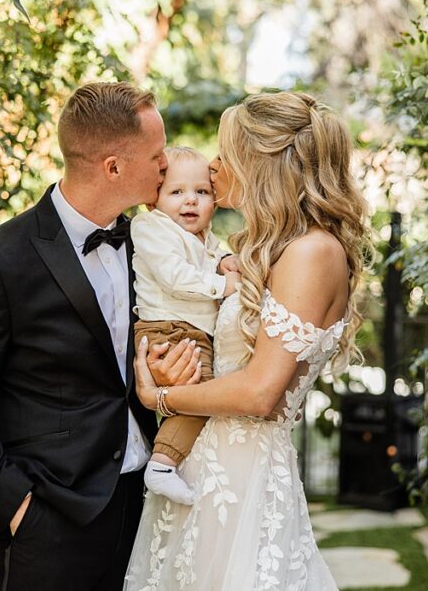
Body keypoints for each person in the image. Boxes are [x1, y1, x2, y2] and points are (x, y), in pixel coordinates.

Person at [0, 82, 201, 591]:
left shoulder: (153, 243)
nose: (167, 165)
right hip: (50, 523)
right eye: (157, 155)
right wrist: (16, 506)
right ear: (113, 166)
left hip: (146, 509)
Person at [124, 91, 370, 591]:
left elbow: (260, 392)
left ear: (261, 162)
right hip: (204, 465)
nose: (212, 168)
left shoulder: (311, 253)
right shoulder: (269, 250)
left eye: (224, 153)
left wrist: (160, 396)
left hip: (241, 479)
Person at [130, 146, 241, 505]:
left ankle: (170, 460)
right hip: (167, 329)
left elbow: (213, 254)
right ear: (154, 200)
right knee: (202, 397)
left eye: (202, 192)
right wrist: (222, 285)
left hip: (192, 331)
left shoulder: (206, 237)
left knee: (201, 398)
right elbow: (174, 276)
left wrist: (224, 259)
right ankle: (162, 464)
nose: (190, 201)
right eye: (176, 192)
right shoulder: (150, 226)